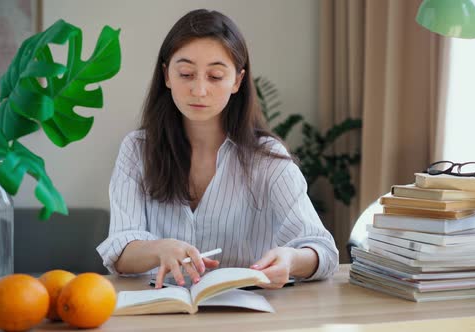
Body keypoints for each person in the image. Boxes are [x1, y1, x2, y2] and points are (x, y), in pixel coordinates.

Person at [96, 9, 339, 289]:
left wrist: (291, 259)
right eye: (186, 73)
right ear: (166, 75)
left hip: (246, 314)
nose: (199, 90)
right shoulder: (137, 150)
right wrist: (158, 249)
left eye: (215, 76)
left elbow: (322, 250)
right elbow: (119, 251)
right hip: (160, 310)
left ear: (236, 80)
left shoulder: (268, 159)